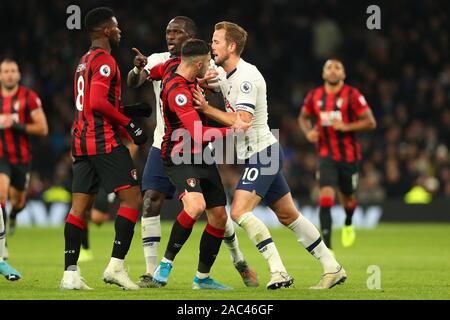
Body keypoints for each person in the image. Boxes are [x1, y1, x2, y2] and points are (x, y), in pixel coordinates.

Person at [193, 21, 346, 289]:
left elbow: (243, 120)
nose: (211, 46)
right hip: (261, 153)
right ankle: (332, 267)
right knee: (289, 215)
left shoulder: (247, 78)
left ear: (231, 46)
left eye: (216, 41)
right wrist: (204, 81)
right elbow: (214, 79)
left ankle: (278, 271)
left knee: (240, 211)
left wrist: (207, 110)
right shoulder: (226, 72)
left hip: (262, 153)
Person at [127, 16, 258, 288]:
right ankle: (161, 268)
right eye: (207, 63)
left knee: (219, 216)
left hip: (200, 153)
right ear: (198, 63)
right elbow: (197, 132)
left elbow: (162, 73)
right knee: (187, 204)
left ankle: (203, 277)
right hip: (178, 153)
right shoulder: (177, 89)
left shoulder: (186, 70)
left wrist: (211, 91)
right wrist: (233, 128)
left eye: (177, 32)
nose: (171, 36)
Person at [60, 7, 150, 290]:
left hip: (82, 142)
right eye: (116, 26)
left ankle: (70, 274)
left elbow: (93, 103)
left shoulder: (83, 61)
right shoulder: (106, 61)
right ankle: (116, 267)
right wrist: (129, 125)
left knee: (78, 208)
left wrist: (129, 109)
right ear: (106, 31)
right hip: (104, 141)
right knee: (132, 199)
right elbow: (98, 103)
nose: (120, 30)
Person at [298, 59, 376, 249]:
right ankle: (328, 250)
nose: (333, 71)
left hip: (349, 157)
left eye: (337, 68)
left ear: (343, 74)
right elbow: (303, 117)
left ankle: (348, 222)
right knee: (325, 196)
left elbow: (371, 122)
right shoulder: (314, 96)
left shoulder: (353, 95)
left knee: (348, 199)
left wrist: (347, 126)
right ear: (324, 74)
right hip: (326, 155)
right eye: (329, 68)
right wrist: (308, 132)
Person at [0, 58, 49, 279]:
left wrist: (15, 123)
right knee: (1, 195)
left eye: (13, 71)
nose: (9, 75)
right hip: (1, 158)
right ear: (1, 75)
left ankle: (12, 216)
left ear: (18, 75)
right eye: (5, 71)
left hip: (21, 160)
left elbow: (43, 128)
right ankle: (3, 250)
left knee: (18, 202)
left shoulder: (28, 97)